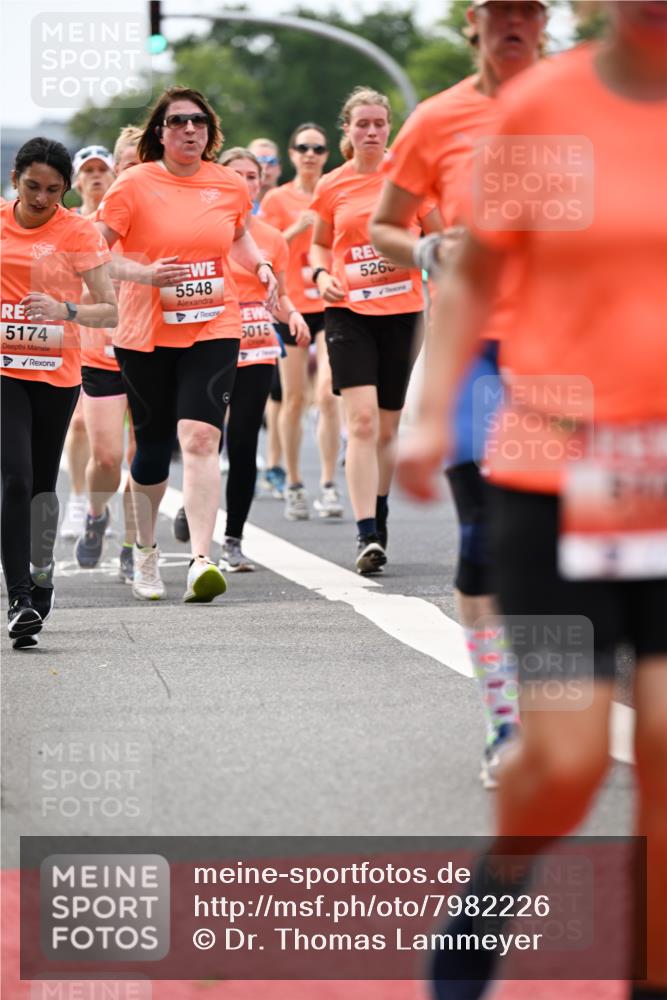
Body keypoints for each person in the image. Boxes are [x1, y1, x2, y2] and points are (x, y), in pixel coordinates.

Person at [397, 3, 667, 997]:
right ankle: (488, 904)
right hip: (551, 476)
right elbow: (479, 270)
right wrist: (430, 411)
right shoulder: (552, 106)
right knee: (566, 761)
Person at [371, 0, 548, 787]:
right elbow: (385, 223)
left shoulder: (583, 100)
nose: (514, 19)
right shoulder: (436, 120)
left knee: (555, 537)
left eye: (529, 7)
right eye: (499, 8)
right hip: (469, 350)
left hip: (563, 356)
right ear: (471, 22)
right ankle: (503, 719)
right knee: (483, 535)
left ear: (545, 20)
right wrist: (427, 246)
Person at [96, 86, 277, 603]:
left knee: (201, 438)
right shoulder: (133, 184)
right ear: (161, 131)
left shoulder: (226, 184)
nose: (190, 130)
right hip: (145, 332)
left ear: (210, 129)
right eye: (178, 122)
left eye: (198, 121)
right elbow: (92, 251)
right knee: (153, 449)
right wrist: (145, 274)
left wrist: (260, 263)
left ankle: (202, 559)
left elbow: (238, 236)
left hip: (213, 325)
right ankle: (146, 552)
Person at [1, 138, 116, 647]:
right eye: (32, 187)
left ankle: (42, 573)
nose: (41, 198)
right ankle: (20, 598)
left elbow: (109, 310)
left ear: (65, 189)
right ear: (14, 179)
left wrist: (64, 311)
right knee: (15, 478)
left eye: (52, 189)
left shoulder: (78, 232)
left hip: (56, 372)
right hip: (5, 371)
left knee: (44, 485)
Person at [309, 88, 425, 574]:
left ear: (389, 127)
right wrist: (320, 275)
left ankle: (379, 510)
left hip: (403, 312)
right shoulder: (332, 185)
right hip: (349, 312)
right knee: (361, 422)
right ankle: (366, 533)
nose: (372, 132)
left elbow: (438, 238)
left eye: (379, 123)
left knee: (388, 426)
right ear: (348, 131)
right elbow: (317, 246)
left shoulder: (410, 182)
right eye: (363, 124)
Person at [217, 147, 309, 569]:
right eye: (234, 175)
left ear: (260, 183)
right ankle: (193, 510)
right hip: (210, 345)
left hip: (256, 348)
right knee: (202, 440)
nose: (244, 182)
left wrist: (292, 315)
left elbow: (281, 293)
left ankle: (233, 538)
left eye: (251, 176)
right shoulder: (206, 232)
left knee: (242, 442)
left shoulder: (271, 238)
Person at [262, 123, 344, 521]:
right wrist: (303, 224)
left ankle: (329, 484)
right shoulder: (277, 198)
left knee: (328, 393)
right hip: (291, 305)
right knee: (293, 398)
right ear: (292, 154)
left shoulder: (336, 190)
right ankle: (293, 481)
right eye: (302, 148)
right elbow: (269, 249)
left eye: (317, 148)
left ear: (327, 154)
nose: (310, 154)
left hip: (330, 302)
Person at [75, 128, 142, 581]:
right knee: (106, 458)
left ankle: (132, 545)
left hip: (151, 349)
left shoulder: (163, 217)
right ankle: (97, 513)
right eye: (130, 163)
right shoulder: (90, 223)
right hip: (100, 354)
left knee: (143, 457)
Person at [59, 145, 117, 540]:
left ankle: (101, 503)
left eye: (102, 170)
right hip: (74, 337)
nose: (96, 176)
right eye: (88, 171)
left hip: (120, 337)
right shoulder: (67, 225)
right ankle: (79, 500)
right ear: (77, 181)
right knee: (77, 423)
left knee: (114, 443)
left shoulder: (122, 223)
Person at [248, 137, 281, 208]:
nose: (265, 166)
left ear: (279, 168)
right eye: (259, 160)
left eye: (271, 161)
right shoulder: (238, 205)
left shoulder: (291, 202)